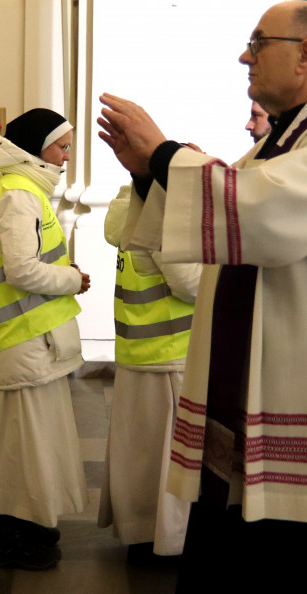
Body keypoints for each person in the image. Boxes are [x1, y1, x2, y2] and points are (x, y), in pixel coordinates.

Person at [98, 0, 307, 592]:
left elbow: (261, 212)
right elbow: (232, 203)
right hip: (256, 385)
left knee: (300, 564)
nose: (245, 56)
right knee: (235, 546)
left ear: (306, 54)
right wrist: (148, 172)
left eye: (258, 43)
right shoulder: (284, 141)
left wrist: (163, 153)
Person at [0, 108, 90, 570]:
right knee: (21, 447)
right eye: (61, 147)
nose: (65, 157)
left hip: (33, 341)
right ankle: (10, 537)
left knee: (31, 444)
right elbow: (20, 270)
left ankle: (31, 527)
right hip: (24, 341)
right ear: (37, 147)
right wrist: (71, 279)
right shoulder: (19, 193)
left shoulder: (21, 188)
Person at [97, 184, 201, 562]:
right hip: (170, 351)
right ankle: (165, 541)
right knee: (167, 458)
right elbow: (189, 283)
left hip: (136, 349)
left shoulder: (131, 208)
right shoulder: (162, 217)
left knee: (137, 453)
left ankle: (138, 532)